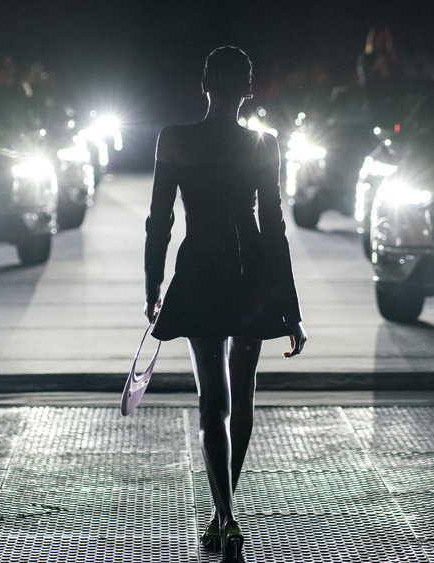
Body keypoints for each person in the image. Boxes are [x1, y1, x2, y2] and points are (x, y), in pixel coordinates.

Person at [144, 45, 307, 563]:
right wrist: (291, 307)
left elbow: (160, 222)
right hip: (252, 274)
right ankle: (224, 515)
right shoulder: (264, 144)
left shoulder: (175, 141)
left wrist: (153, 285)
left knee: (212, 400)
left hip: (199, 272)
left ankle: (226, 517)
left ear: (205, 84)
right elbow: (275, 228)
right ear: (249, 90)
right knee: (244, 397)